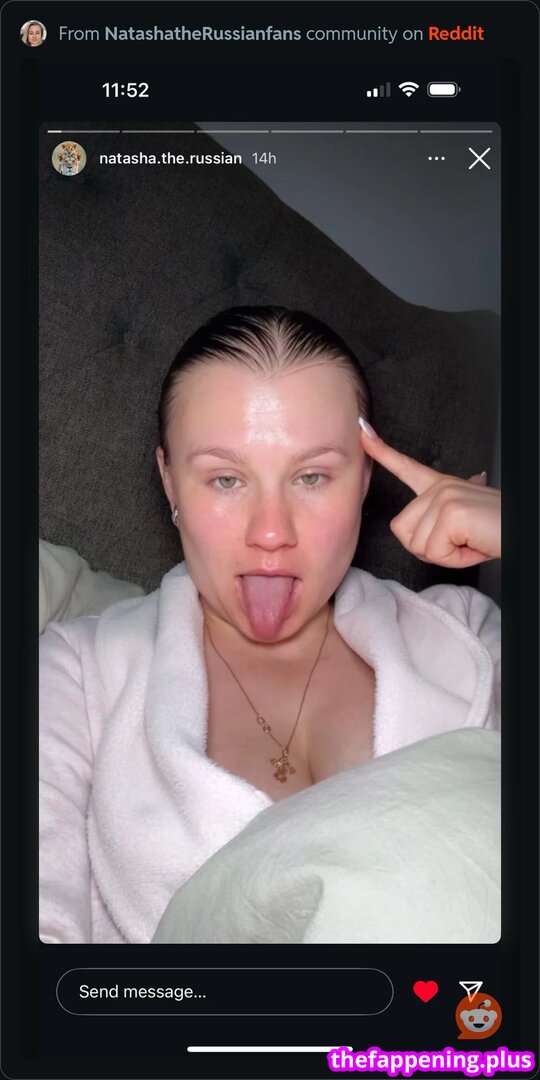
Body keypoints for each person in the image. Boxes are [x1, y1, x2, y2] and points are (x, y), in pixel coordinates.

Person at [39, 306, 501, 943]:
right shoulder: (73, 672)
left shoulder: (469, 634)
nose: (272, 533)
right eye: (226, 479)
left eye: (312, 476)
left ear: (364, 479)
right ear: (170, 481)